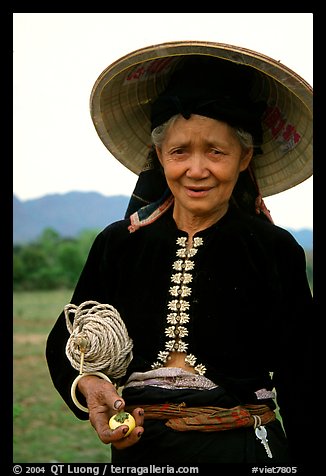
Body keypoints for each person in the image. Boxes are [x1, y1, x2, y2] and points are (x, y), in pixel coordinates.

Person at [46, 41, 313, 467]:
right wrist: (89, 385)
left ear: (245, 157)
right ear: (159, 156)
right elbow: (68, 337)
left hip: (242, 449)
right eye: (179, 151)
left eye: (217, 151)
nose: (196, 169)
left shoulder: (274, 250)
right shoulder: (120, 243)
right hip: (140, 453)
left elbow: (303, 373)